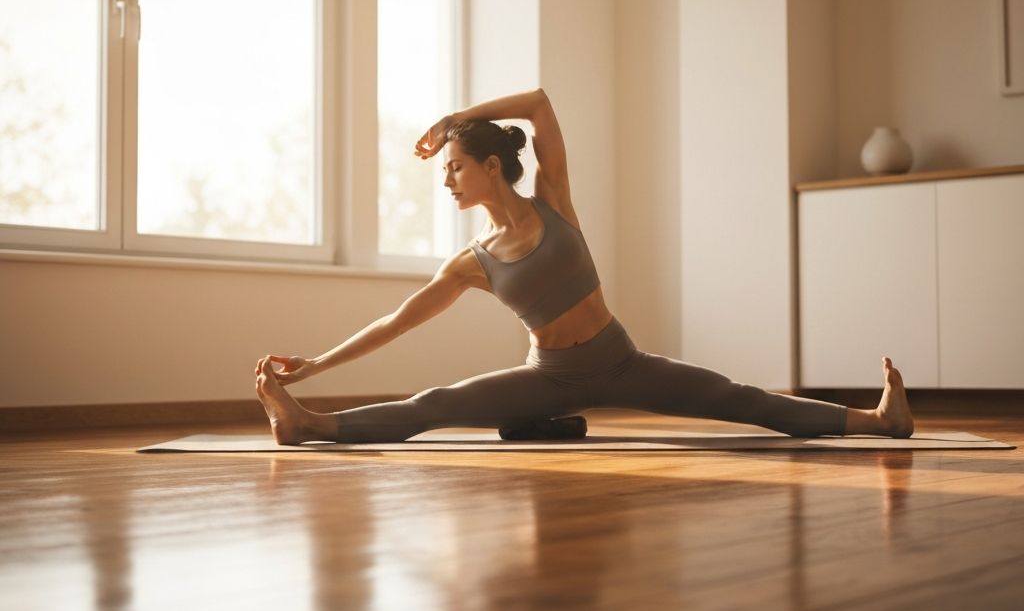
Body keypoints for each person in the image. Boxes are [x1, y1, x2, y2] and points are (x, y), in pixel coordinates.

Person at [254, 88, 915, 446]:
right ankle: (309, 422)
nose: (446, 180)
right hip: (550, 379)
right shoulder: (470, 264)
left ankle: (880, 420)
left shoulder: (553, 201)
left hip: (622, 360)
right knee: (435, 405)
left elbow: (539, 104)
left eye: (454, 166)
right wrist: (315, 367)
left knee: (740, 401)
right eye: (445, 170)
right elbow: (397, 323)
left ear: (490, 168)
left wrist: (458, 118)